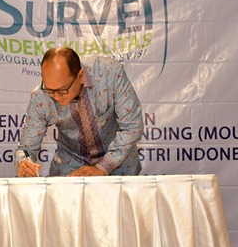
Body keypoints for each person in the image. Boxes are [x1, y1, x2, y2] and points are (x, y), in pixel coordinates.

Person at [16, 47, 143, 177]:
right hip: (71, 168)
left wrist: (103, 167)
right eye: (49, 89)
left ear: (81, 76)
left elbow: (133, 126)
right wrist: (24, 161)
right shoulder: (40, 97)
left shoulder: (109, 73)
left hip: (119, 165)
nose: (56, 96)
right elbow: (26, 148)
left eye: (62, 90)